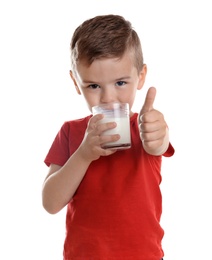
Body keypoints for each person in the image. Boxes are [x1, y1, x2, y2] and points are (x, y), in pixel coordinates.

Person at [42, 14, 174, 260]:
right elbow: (50, 203)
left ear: (141, 77)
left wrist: (159, 134)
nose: (108, 98)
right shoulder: (70, 132)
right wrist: (83, 154)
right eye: (93, 86)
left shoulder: (146, 126)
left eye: (121, 82)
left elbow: (158, 144)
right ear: (76, 82)